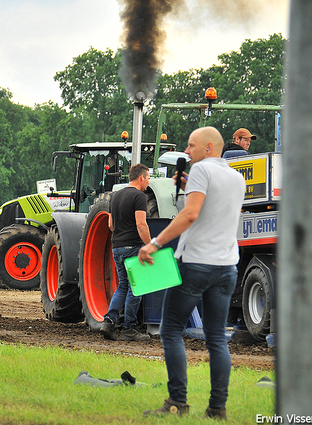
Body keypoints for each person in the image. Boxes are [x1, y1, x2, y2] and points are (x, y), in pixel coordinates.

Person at [139, 127, 245, 420]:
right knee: (216, 339)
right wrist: (186, 188)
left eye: (191, 145)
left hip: (196, 262)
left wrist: (155, 242)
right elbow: (211, 209)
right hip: (226, 267)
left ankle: (177, 402)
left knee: (171, 329)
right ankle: (217, 408)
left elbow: (191, 214)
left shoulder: (201, 171)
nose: (187, 151)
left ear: (209, 147)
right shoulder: (237, 178)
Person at [100, 163, 152, 342]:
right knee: (135, 288)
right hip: (133, 247)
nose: (148, 182)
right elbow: (141, 224)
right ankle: (129, 328)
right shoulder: (139, 196)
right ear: (141, 177)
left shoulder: (115, 196)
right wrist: (150, 245)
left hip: (117, 247)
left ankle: (109, 321)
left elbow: (111, 225)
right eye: (148, 178)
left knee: (123, 285)